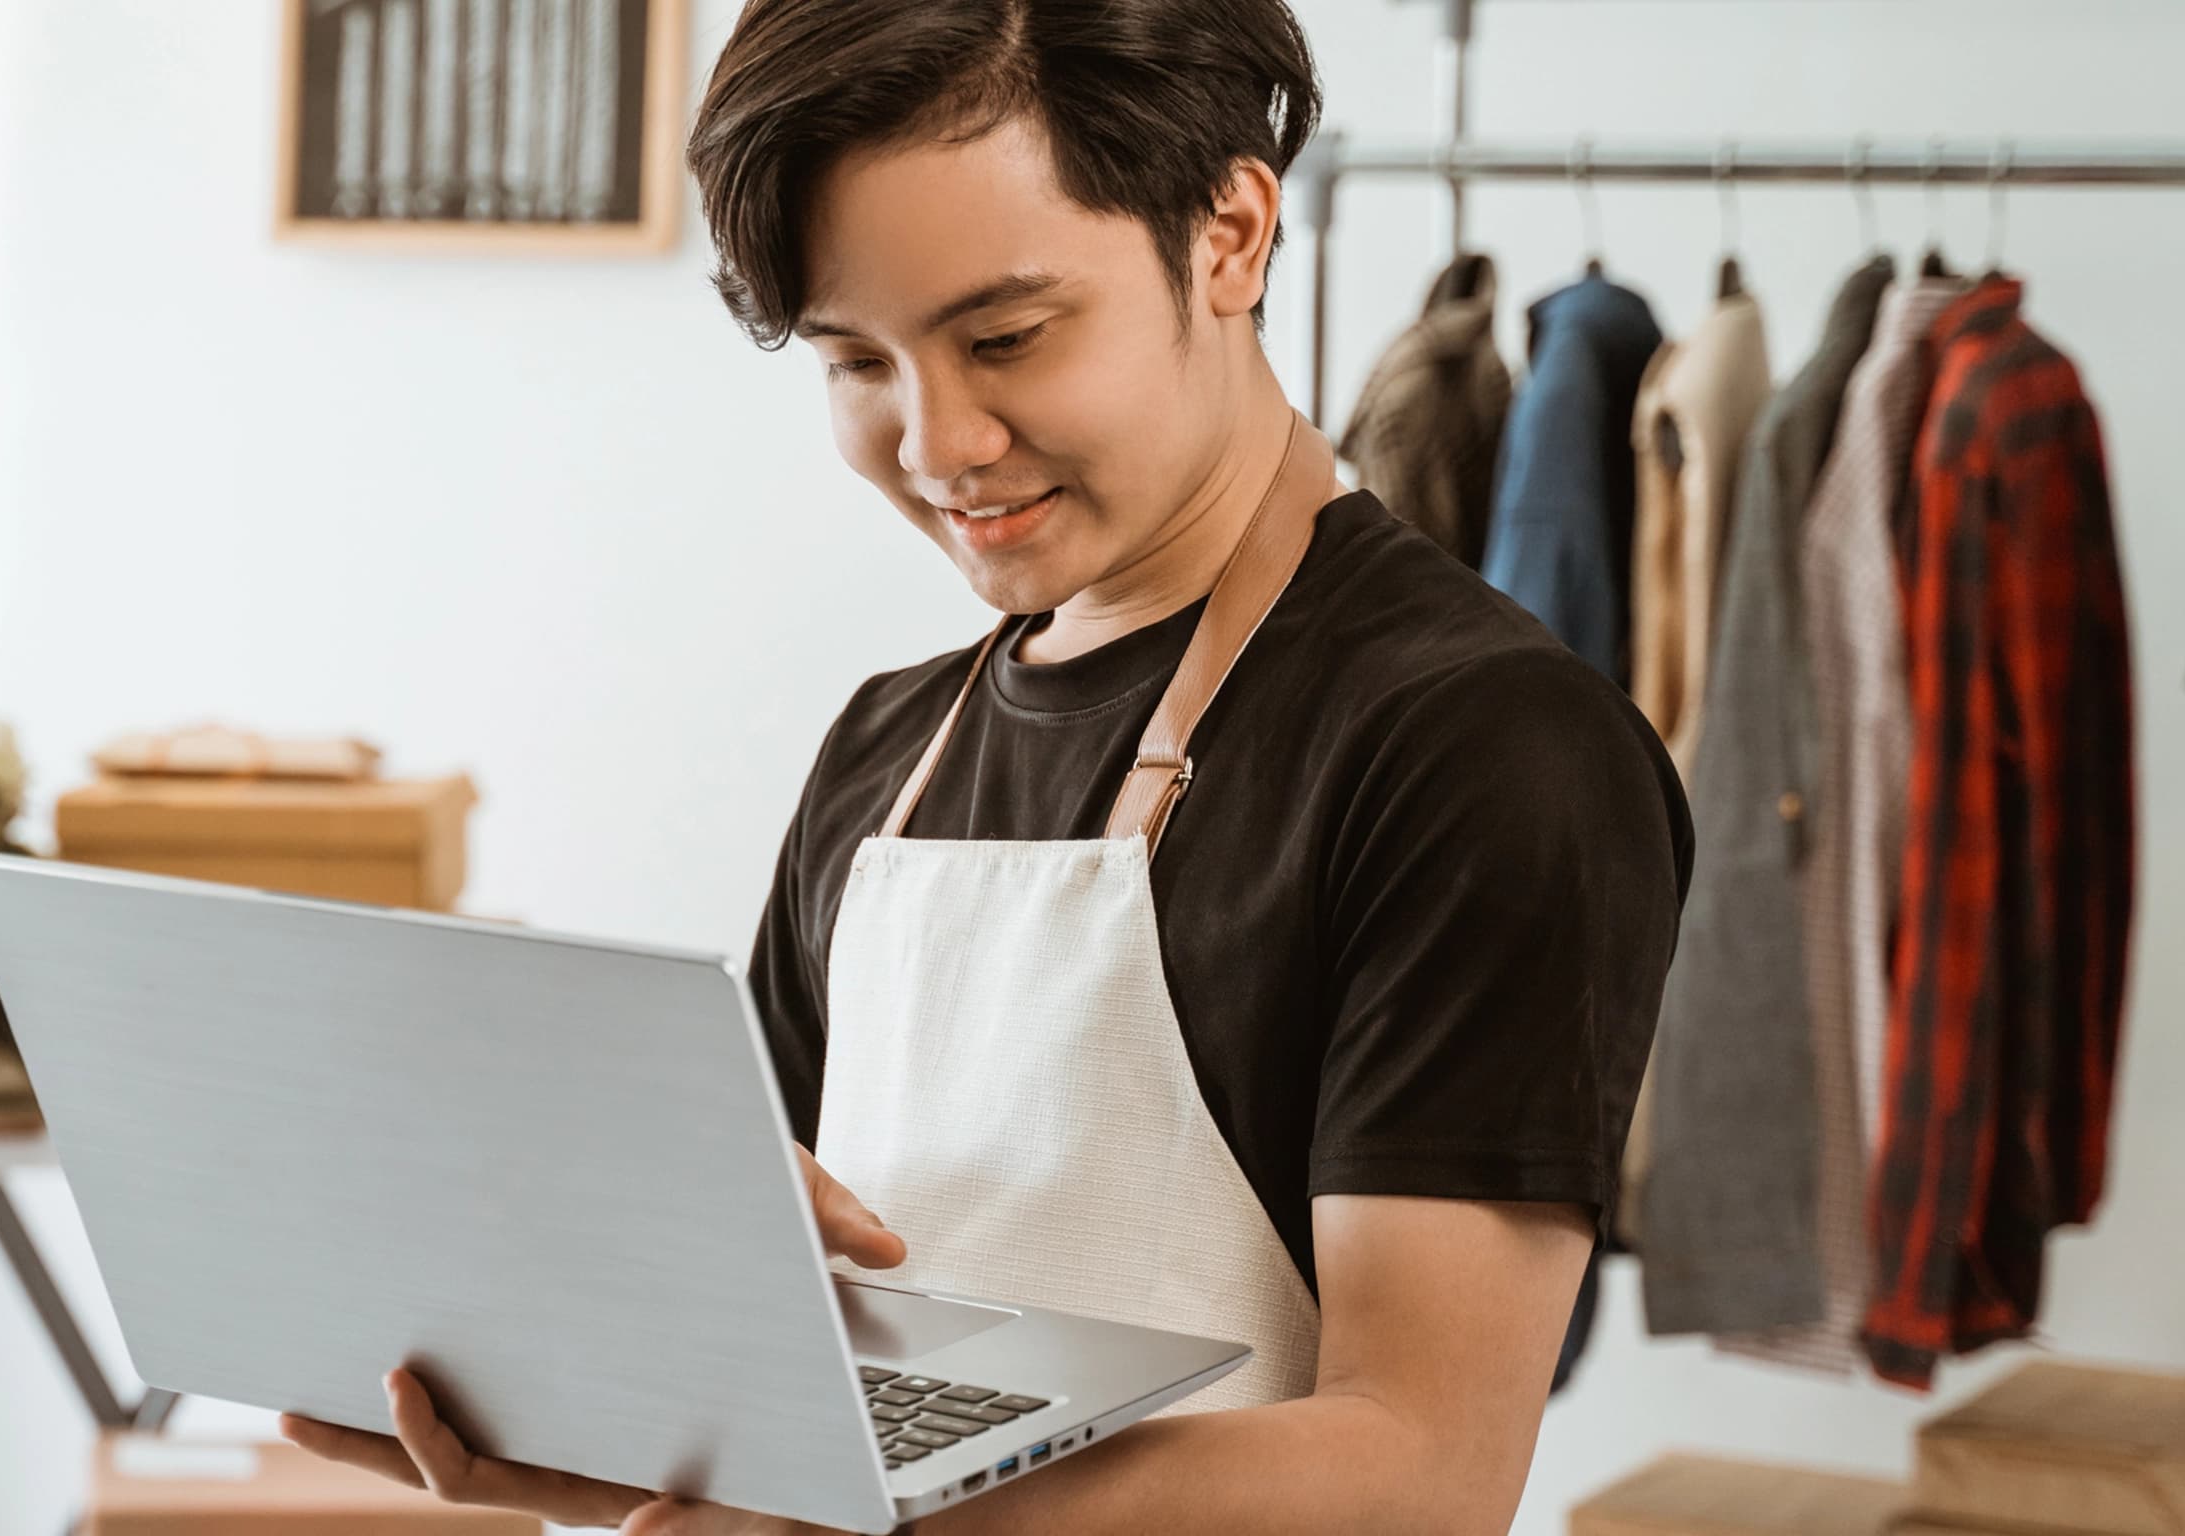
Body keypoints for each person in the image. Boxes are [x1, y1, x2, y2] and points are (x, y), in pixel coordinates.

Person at [282, 1, 1690, 1530]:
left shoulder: (1480, 749)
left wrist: (852, 1515)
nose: (937, 442)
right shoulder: (882, 754)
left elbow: (1420, 1472)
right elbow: (795, 1363)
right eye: (853, 363)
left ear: (1228, 232)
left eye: (1004, 337)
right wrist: (589, 1403)